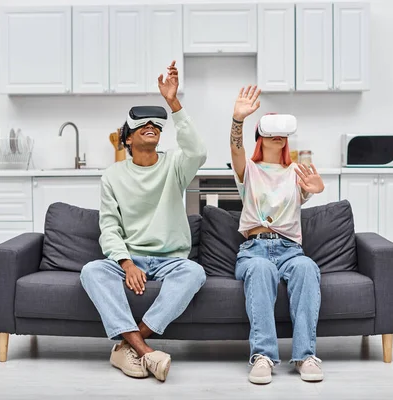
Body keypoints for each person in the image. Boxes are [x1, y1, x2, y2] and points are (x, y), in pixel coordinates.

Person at [80, 61, 207, 382]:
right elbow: (109, 227)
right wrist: (125, 263)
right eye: (142, 124)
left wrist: (173, 102)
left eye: (157, 124)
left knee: (195, 272)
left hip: (171, 261)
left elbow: (198, 150)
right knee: (92, 270)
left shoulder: (176, 166)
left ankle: (129, 344)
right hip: (131, 258)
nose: (151, 125)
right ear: (127, 138)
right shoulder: (113, 176)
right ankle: (147, 352)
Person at [229, 85, 326, 385]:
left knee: (308, 268)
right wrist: (238, 120)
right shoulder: (249, 171)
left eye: (283, 130)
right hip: (255, 249)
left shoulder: (297, 172)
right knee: (259, 270)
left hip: (290, 250)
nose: (278, 135)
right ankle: (263, 356)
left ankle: (305, 356)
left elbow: (308, 191)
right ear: (261, 136)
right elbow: (236, 148)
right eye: (271, 129)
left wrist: (316, 190)